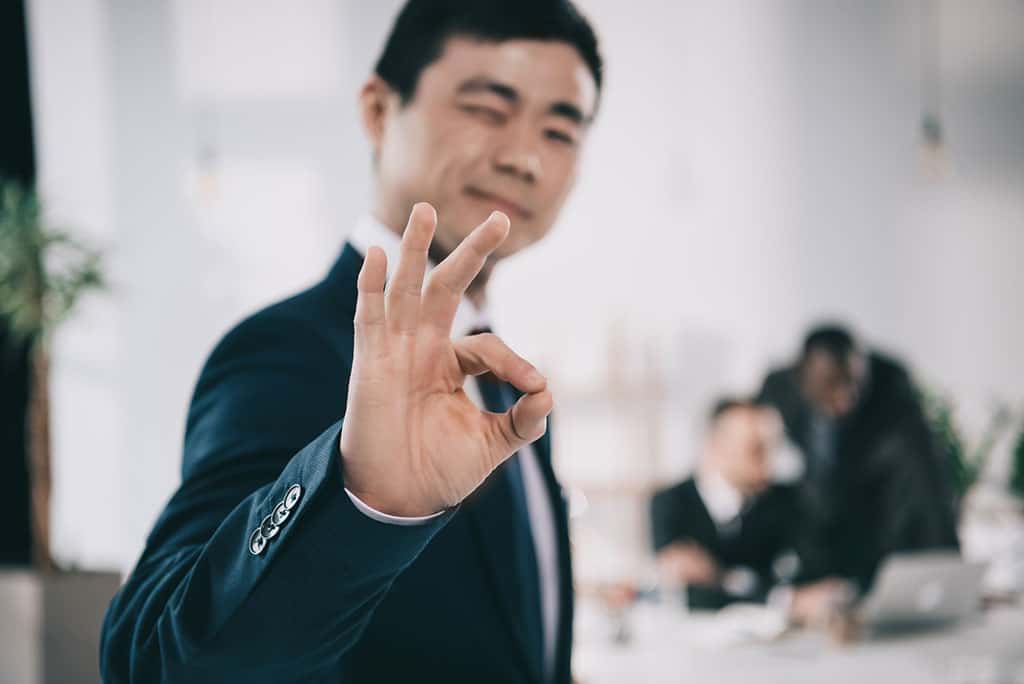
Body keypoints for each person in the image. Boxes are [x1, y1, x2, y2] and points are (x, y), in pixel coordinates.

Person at [100, 2, 602, 682]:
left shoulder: (506, 378)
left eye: (559, 130)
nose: (523, 158)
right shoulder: (285, 352)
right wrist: (364, 503)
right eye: (488, 108)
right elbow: (156, 660)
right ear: (377, 110)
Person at [757, 324, 960, 591]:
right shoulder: (776, 389)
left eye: (853, 383)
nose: (844, 398)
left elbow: (926, 478)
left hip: (873, 522)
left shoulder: (891, 381)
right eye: (830, 385)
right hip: (808, 537)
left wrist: (950, 571)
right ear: (801, 378)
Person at [650, 399, 845, 623]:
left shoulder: (787, 500)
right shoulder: (670, 503)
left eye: (773, 447)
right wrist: (784, 601)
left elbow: (817, 577)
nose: (769, 463)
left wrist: (719, 577)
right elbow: (689, 595)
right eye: (755, 449)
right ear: (715, 446)